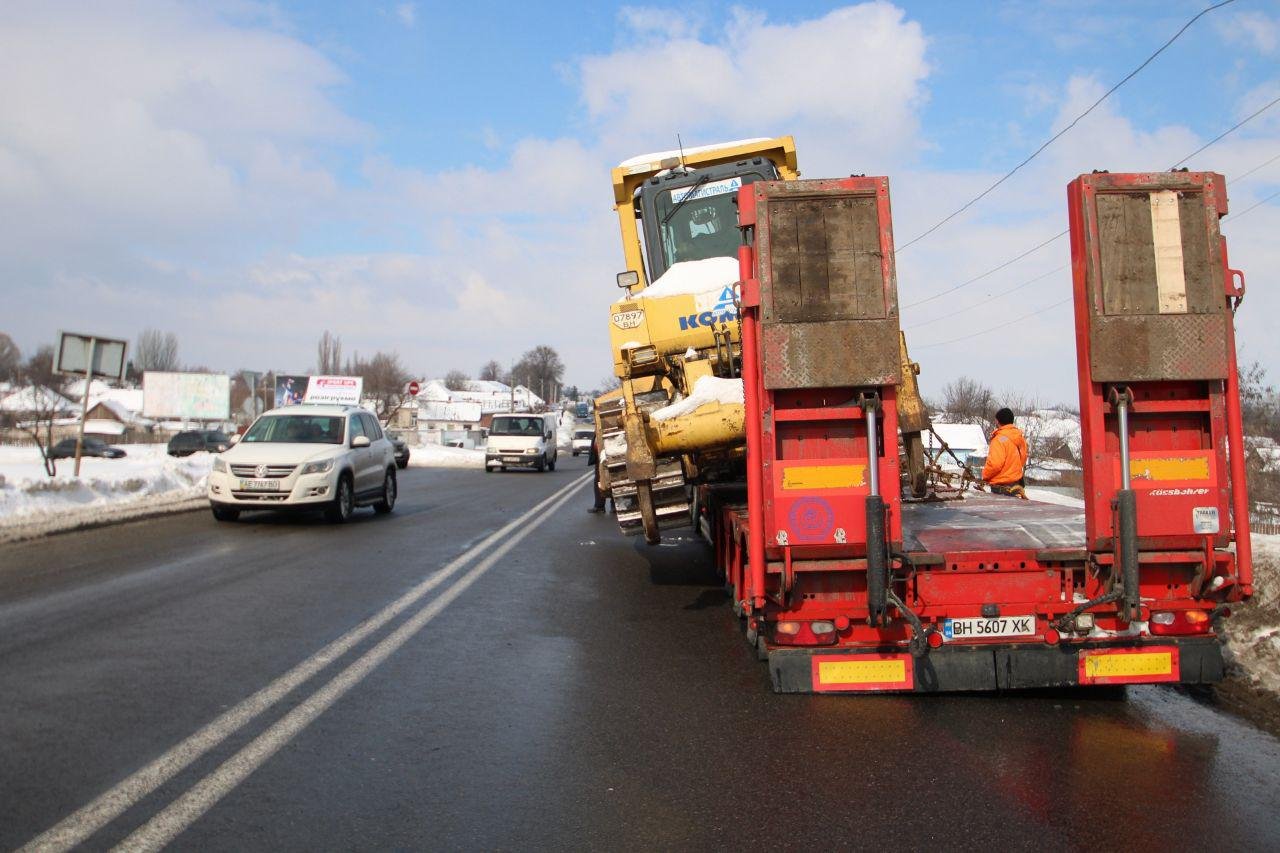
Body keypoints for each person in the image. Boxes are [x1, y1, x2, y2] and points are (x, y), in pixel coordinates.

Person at [982, 407, 1028, 499]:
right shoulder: (1020, 438)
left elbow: (995, 464)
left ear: (997, 421)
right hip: (1016, 485)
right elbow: (1022, 460)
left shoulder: (998, 440)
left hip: (1001, 486)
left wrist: (985, 475)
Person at [587, 434, 607, 513]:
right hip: (607, 451)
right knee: (614, 476)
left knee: (599, 479)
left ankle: (599, 506)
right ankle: (614, 506)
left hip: (602, 453)